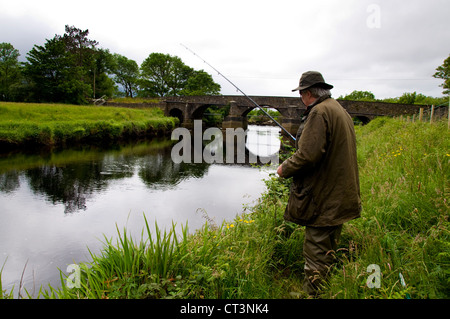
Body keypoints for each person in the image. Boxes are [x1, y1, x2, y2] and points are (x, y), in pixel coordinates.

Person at [276, 71, 361, 296]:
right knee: (327, 250)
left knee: (315, 250)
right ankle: (324, 289)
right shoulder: (338, 110)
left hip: (324, 196)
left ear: (308, 93)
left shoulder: (318, 113)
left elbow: (307, 156)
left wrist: (284, 168)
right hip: (340, 193)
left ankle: (312, 294)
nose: (300, 99)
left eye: (301, 94)